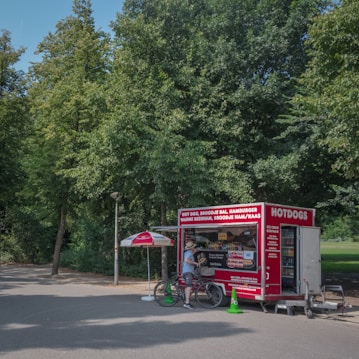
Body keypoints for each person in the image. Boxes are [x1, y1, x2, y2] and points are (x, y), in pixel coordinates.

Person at [182, 241, 199, 309]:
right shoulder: (189, 253)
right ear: (192, 248)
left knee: (187, 287)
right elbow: (186, 260)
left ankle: (187, 302)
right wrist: (195, 263)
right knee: (189, 287)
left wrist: (195, 251)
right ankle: (187, 303)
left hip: (186, 271)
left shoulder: (187, 252)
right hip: (188, 272)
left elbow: (190, 255)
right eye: (194, 247)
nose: (195, 248)